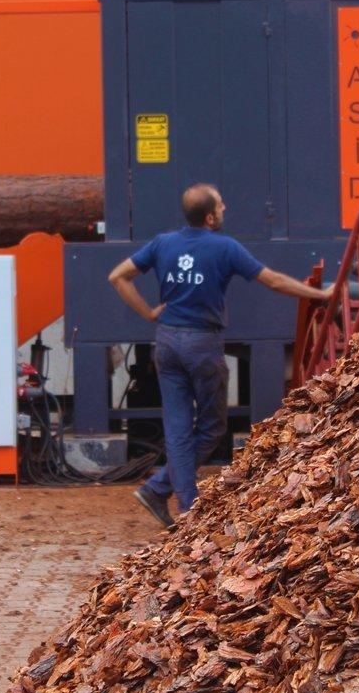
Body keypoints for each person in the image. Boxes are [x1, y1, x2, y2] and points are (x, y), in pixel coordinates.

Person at [109, 183, 333, 527]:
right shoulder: (225, 248)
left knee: (179, 427)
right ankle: (187, 510)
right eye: (222, 206)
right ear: (211, 217)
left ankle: (161, 489)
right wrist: (318, 294)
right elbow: (272, 281)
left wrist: (149, 313)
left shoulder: (163, 243)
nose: (226, 208)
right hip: (202, 344)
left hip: (166, 342)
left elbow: (117, 276)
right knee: (213, 426)